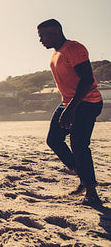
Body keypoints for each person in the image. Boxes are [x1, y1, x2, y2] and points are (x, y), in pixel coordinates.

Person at [38, 19, 103, 206]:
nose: (41, 39)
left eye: (44, 34)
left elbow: (87, 80)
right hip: (69, 102)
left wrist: (71, 109)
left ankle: (92, 193)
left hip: (87, 102)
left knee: (79, 145)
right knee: (54, 140)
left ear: (56, 31)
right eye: (39, 36)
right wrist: (68, 106)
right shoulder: (55, 54)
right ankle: (82, 175)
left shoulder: (73, 48)